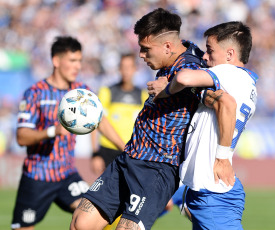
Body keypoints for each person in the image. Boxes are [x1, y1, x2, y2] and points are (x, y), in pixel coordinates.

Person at [70, 8, 206, 230]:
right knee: (81, 223)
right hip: (129, 157)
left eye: (145, 49)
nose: (141, 55)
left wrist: (172, 86)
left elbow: (213, 90)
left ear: (167, 47)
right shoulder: (173, 57)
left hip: (157, 167)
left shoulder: (191, 66)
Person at [148, 21, 258, 229]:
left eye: (210, 50)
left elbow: (184, 77)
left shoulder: (230, 73)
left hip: (213, 193)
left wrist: (168, 88)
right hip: (207, 191)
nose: (205, 57)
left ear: (229, 54)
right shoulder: (244, 83)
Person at [11, 36, 125, 230]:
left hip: (67, 174)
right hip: (37, 176)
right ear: (56, 61)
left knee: (93, 215)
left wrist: (127, 149)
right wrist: (51, 131)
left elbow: (101, 122)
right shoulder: (35, 93)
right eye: (72, 61)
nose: (77, 66)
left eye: (79, 61)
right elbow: (22, 137)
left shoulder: (81, 92)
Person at [91, 53, 148, 176]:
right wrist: (95, 154)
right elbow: (95, 123)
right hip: (107, 150)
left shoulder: (143, 95)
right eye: (123, 67)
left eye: (129, 67)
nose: (126, 71)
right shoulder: (107, 92)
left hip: (130, 151)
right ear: (119, 69)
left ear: (135, 69)